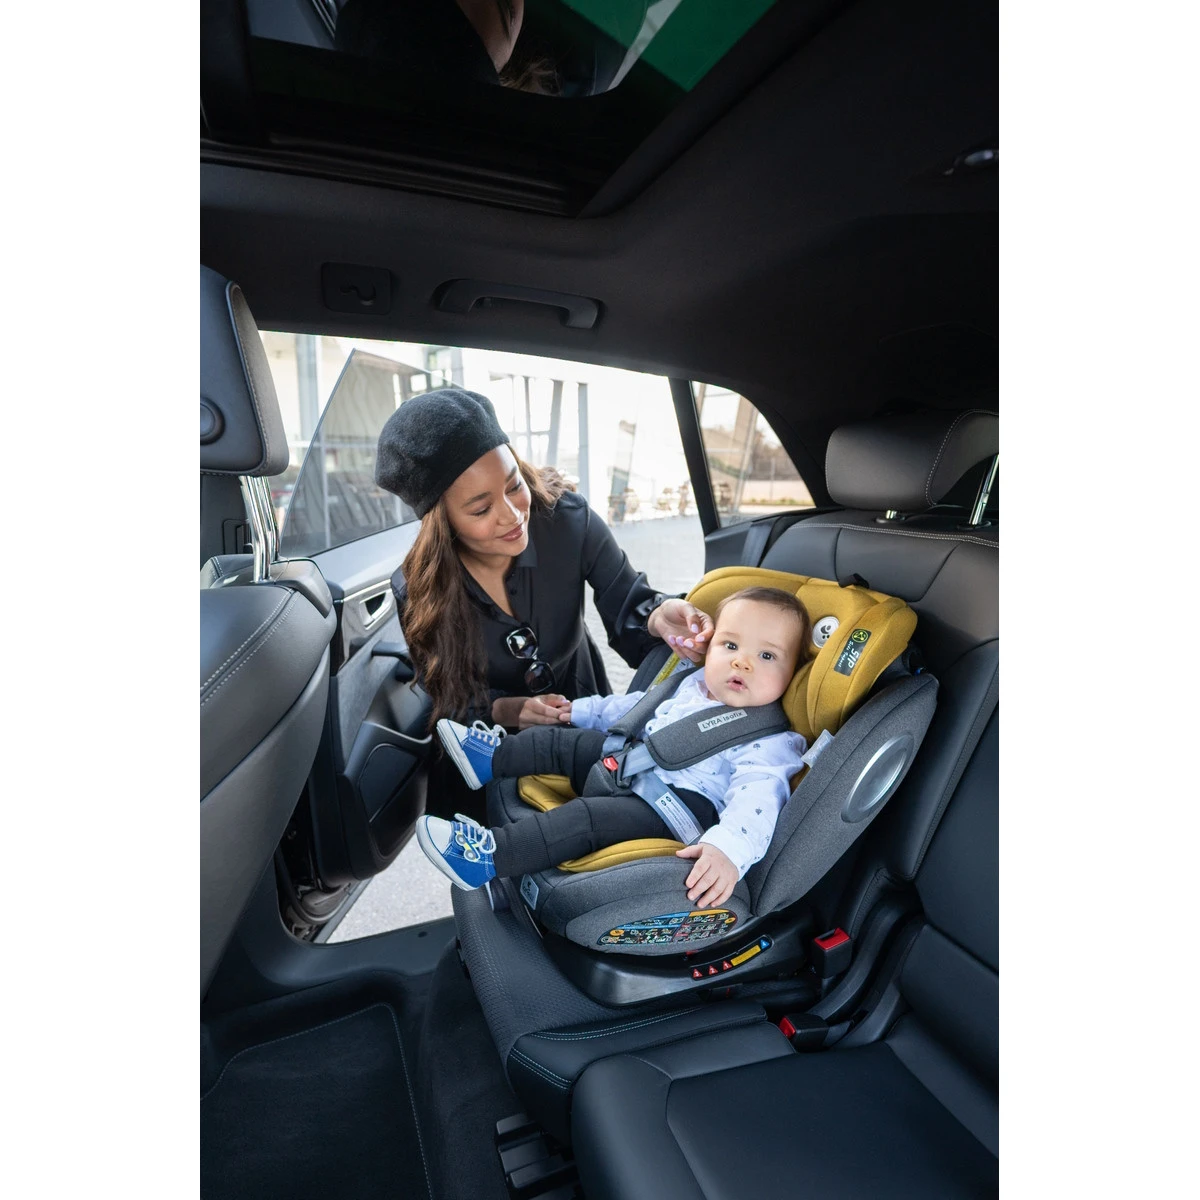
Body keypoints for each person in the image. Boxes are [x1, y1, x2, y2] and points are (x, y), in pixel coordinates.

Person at [374, 386, 714, 808]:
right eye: (481, 510)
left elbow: (628, 600)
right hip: (486, 753)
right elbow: (451, 700)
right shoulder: (419, 590)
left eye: (513, 485)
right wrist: (511, 710)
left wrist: (659, 616)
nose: (512, 514)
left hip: (582, 719)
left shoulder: (568, 520)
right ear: (441, 522)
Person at [417, 587, 813, 909]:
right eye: (730, 645)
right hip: (634, 761)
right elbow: (632, 709)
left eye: (766, 655)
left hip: (672, 810)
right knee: (563, 741)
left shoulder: (769, 740)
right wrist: (577, 711)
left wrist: (727, 850)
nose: (742, 662)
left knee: (584, 819)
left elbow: (758, 801)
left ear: (793, 672)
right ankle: (490, 758)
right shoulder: (691, 685)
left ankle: (488, 858)